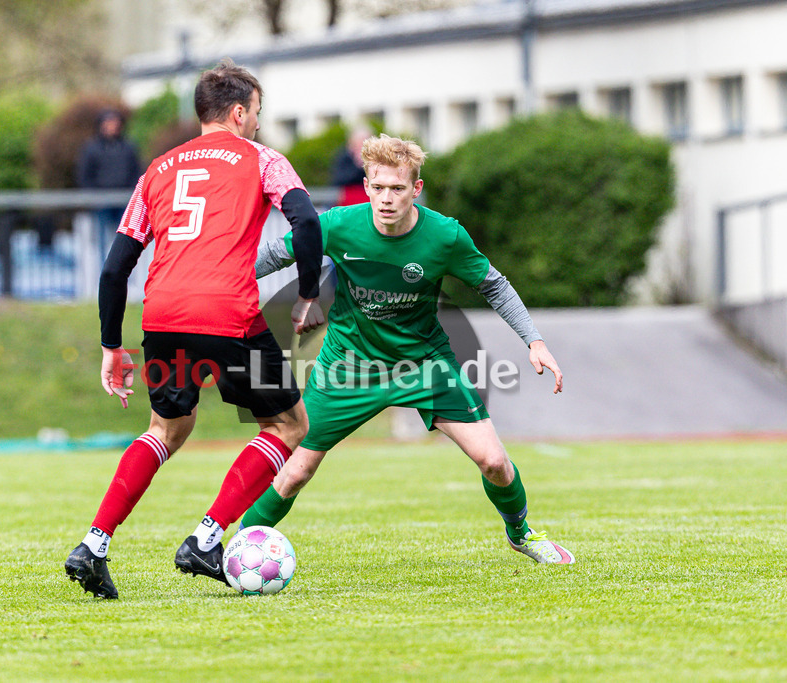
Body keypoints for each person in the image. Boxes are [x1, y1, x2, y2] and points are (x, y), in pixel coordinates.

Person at [239, 134, 575, 566]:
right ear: (365, 186)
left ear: (416, 189)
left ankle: (521, 533)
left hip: (424, 365)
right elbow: (274, 255)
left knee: (494, 461)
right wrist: (218, 284)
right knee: (295, 473)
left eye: (397, 188)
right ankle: (239, 549)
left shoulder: (445, 236)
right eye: (378, 187)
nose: (386, 198)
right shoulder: (338, 225)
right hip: (348, 366)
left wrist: (535, 341)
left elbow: (494, 285)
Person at [64, 59, 327, 599]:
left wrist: (111, 345)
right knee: (288, 426)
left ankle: (93, 544)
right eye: (257, 112)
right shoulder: (263, 159)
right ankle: (207, 538)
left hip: (163, 315)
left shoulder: (157, 169)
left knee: (167, 429)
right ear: (239, 112)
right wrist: (306, 294)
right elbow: (305, 221)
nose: (258, 122)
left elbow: (115, 268)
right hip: (229, 314)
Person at [76, 109, 142, 266]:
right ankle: (104, 271)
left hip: (124, 202)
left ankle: (124, 272)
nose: (113, 126)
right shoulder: (91, 148)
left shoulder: (128, 147)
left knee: (126, 241)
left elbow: (136, 172)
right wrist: (94, 196)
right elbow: (84, 175)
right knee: (101, 243)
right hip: (101, 204)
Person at [330, 126, 371, 206]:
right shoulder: (344, 158)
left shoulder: (375, 159)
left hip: (369, 197)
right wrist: (357, 166)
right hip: (348, 199)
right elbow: (338, 180)